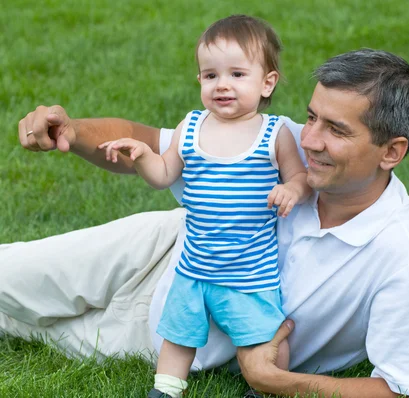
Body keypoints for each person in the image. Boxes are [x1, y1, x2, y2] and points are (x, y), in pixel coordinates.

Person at [6, 48, 409, 397]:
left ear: (391, 151)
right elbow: (146, 142)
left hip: (166, 333)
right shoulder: (281, 140)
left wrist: (275, 380)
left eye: (336, 130)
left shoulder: (402, 261)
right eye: (312, 116)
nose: (309, 139)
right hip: (159, 246)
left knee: (15, 321)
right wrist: (70, 130)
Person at [96, 15, 311, 398]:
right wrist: (144, 154)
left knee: (262, 334)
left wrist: (291, 190)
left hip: (249, 271)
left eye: (237, 75)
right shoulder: (191, 126)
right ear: (199, 81)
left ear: (267, 82)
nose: (222, 85)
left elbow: (300, 178)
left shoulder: (273, 133)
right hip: (195, 265)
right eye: (210, 75)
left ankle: (268, 388)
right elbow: (164, 174)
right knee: (179, 334)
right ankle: (165, 389)